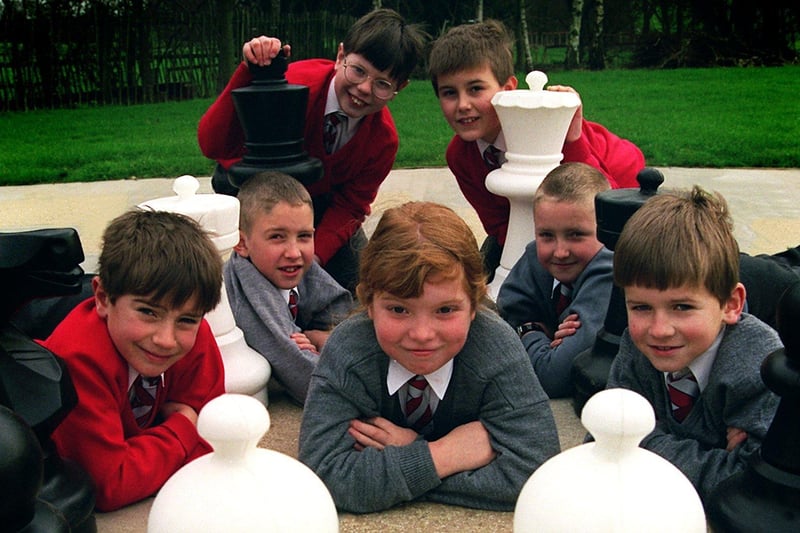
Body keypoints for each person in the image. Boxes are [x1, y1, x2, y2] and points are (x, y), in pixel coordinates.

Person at [298, 201, 560, 513]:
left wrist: (406, 456)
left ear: (475, 304)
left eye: (445, 310)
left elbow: (538, 473)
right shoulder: (350, 350)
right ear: (368, 302)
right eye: (398, 309)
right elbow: (323, 474)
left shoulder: (495, 348)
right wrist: (444, 455)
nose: (422, 333)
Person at [198, 8, 427, 292]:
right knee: (253, 284)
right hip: (250, 192)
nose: (364, 88)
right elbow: (212, 144)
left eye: (382, 84)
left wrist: (313, 256)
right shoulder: (293, 86)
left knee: (365, 287)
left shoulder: (382, 141)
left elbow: (351, 206)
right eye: (358, 70)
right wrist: (249, 72)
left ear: (399, 88)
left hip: (318, 205)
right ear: (340, 56)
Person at [427, 19, 645, 278]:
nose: (463, 104)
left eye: (475, 89)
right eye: (449, 93)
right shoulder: (461, 155)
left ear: (507, 89)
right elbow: (499, 224)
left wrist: (573, 139)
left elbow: (606, 208)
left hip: (615, 209)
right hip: (540, 233)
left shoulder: (553, 129)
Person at [606, 186, 781, 505]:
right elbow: (607, 439)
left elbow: (750, 487)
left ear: (731, 304)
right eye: (641, 307)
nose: (659, 330)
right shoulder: (637, 347)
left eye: (682, 307)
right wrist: (714, 455)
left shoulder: (758, 365)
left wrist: (644, 444)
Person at [41, 209, 226, 511]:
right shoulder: (77, 357)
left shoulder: (195, 335)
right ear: (102, 298)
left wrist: (145, 455)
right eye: (148, 312)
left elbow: (217, 440)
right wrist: (182, 427)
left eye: (187, 319)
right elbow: (108, 484)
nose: (166, 339)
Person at [224, 171, 353, 404]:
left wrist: (325, 339)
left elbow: (339, 311)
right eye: (277, 237)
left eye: (304, 236)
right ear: (241, 243)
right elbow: (304, 377)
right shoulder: (250, 292)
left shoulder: (285, 264)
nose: (294, 252)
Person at [497, 162, 612, 398]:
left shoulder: (609, 269)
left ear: (605, 230)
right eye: (546, 235)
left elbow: (553, 377)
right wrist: (536, 331)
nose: (560, 251)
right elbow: (501, 320)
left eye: (576, 235)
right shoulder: (536, 256)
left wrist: (526, 331)